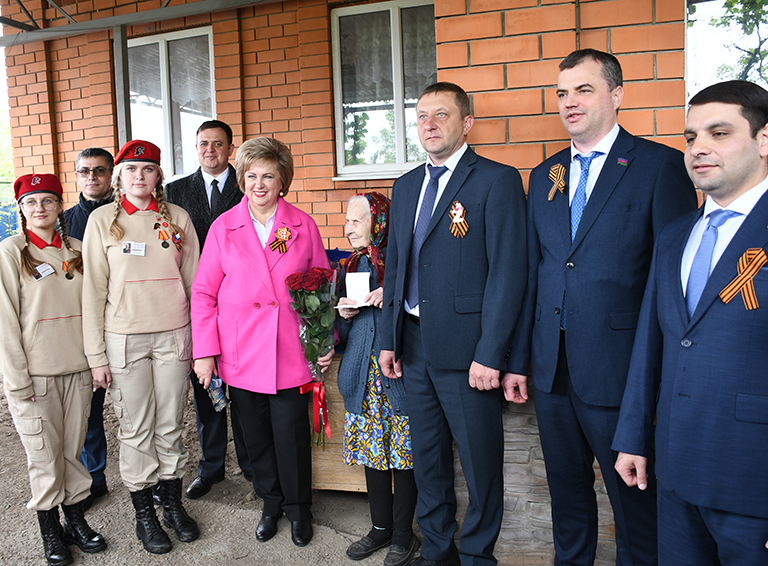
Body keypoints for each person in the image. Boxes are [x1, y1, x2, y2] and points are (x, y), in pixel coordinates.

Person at [503, 49, 698, 566]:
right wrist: (520, 359)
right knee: (568, 501)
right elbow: (536, 273)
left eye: (584, 90)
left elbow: (671, 286)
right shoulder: (545, 174)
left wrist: (656, 381)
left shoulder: (659, 167)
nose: (570, 102)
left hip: (620, 375)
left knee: (635, 509)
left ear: (616, 95)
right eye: (562, 92)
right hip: (551, 372)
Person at [613, 80, 768, 565]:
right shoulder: (677, 234)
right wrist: (633, 437)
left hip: (753, 482)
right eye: (690, 137)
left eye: (719, 133)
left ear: (764, 140)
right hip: (675, 470)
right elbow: (652, 343)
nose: (699, 148)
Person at [379, 82, 527, 566]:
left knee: (481, 464)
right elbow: (396, 266)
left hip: (469, 352)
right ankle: (438, 551)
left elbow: (509, 272)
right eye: (422, 116)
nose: (430, 124)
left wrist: (492, 352)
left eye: (441, 115)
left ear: (466, 124)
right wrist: (388, 339)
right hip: (414, 345)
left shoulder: (496, 180)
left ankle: (478, 556)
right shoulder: (404, 186)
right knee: (428, 459)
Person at [191, 136, 333, 548]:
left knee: (291, 434)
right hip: (241, 351)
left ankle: (298, 508)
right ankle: (271, 504)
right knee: (254, 437)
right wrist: (205, 353)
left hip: (290, 349)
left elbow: (322, 286)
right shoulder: (223, 227)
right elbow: (203, 293)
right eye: (251, 175)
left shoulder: (302, 225)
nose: (259, 183)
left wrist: (324, 339)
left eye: (268, 175)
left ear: (282, 179)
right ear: (241, 179)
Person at [81, 140, 200, 555]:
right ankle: (144, 514)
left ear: (158, 177)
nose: (139, 176)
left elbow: (195, 285)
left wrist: (201, 344)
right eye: (131, 170)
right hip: (124, 339)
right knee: (135, 427)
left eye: (148, 169)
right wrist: (96, 356)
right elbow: (92, 292)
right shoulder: (101, 221)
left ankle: (171, 504)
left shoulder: (178, 218)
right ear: (119, 178)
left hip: (174, 335)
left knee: (170, 423)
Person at [0, 174, 106, 566]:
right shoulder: (11, 253)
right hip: (35, 376)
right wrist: (17, 378)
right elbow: (5, 322)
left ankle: (75, 522)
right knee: (44, 456)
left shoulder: (78, 249)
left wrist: (96, 362)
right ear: (21, 210)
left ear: (60, 205)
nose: (40, 209)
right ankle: (50, 530)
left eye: (47, 201)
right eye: (31, 203)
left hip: (77, 370)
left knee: (72, 451)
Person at [165, 119, 252, 500]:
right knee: (206, 388)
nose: (210, 150)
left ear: (230, 149)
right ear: (195, 147)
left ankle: (252, 464)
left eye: (218, 144)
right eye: (203, 144)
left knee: (247, 392)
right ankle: (211, 467)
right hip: (196, 300)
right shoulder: (175, 191)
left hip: (241, 302)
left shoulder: (248, 184)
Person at [337, 193, 419, 566]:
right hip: (362, 375)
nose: (348, 226)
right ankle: (380, 528)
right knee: (374, 453)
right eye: (348, 220)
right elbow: (343, 326)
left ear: (380, 222)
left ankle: (404, 534)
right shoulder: (351, 263)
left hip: (396, 373)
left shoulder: (399, 262)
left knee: (403, 455)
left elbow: (418, 308)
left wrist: (393, 295)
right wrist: (345, 313)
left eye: (357, 220)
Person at [63, 147, 115, 510]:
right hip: (87, 329)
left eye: (99, 170)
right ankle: (94, 478)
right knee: (88, 410)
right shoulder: (62, 224)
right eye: (85, 172)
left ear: (111, 174)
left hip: (127, 324)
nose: (92, 177)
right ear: (77, 176)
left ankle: (152, 477)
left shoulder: (131, 214)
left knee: (142, 407)